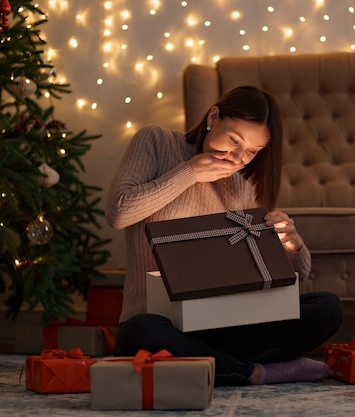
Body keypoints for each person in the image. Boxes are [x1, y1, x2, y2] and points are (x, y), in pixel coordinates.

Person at [105, 85, 343, 386]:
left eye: (252, 151)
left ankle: (211, 363)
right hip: (159, 323)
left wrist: (292, 244)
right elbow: (118, 212)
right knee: (141, 334)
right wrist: (189, 173)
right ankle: (255, 372)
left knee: (326, 308)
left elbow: (297, 273)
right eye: (234, 141)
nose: (239, 158)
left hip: (224, 324)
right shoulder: (155, 141)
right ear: (213, 117)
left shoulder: (242, 185)